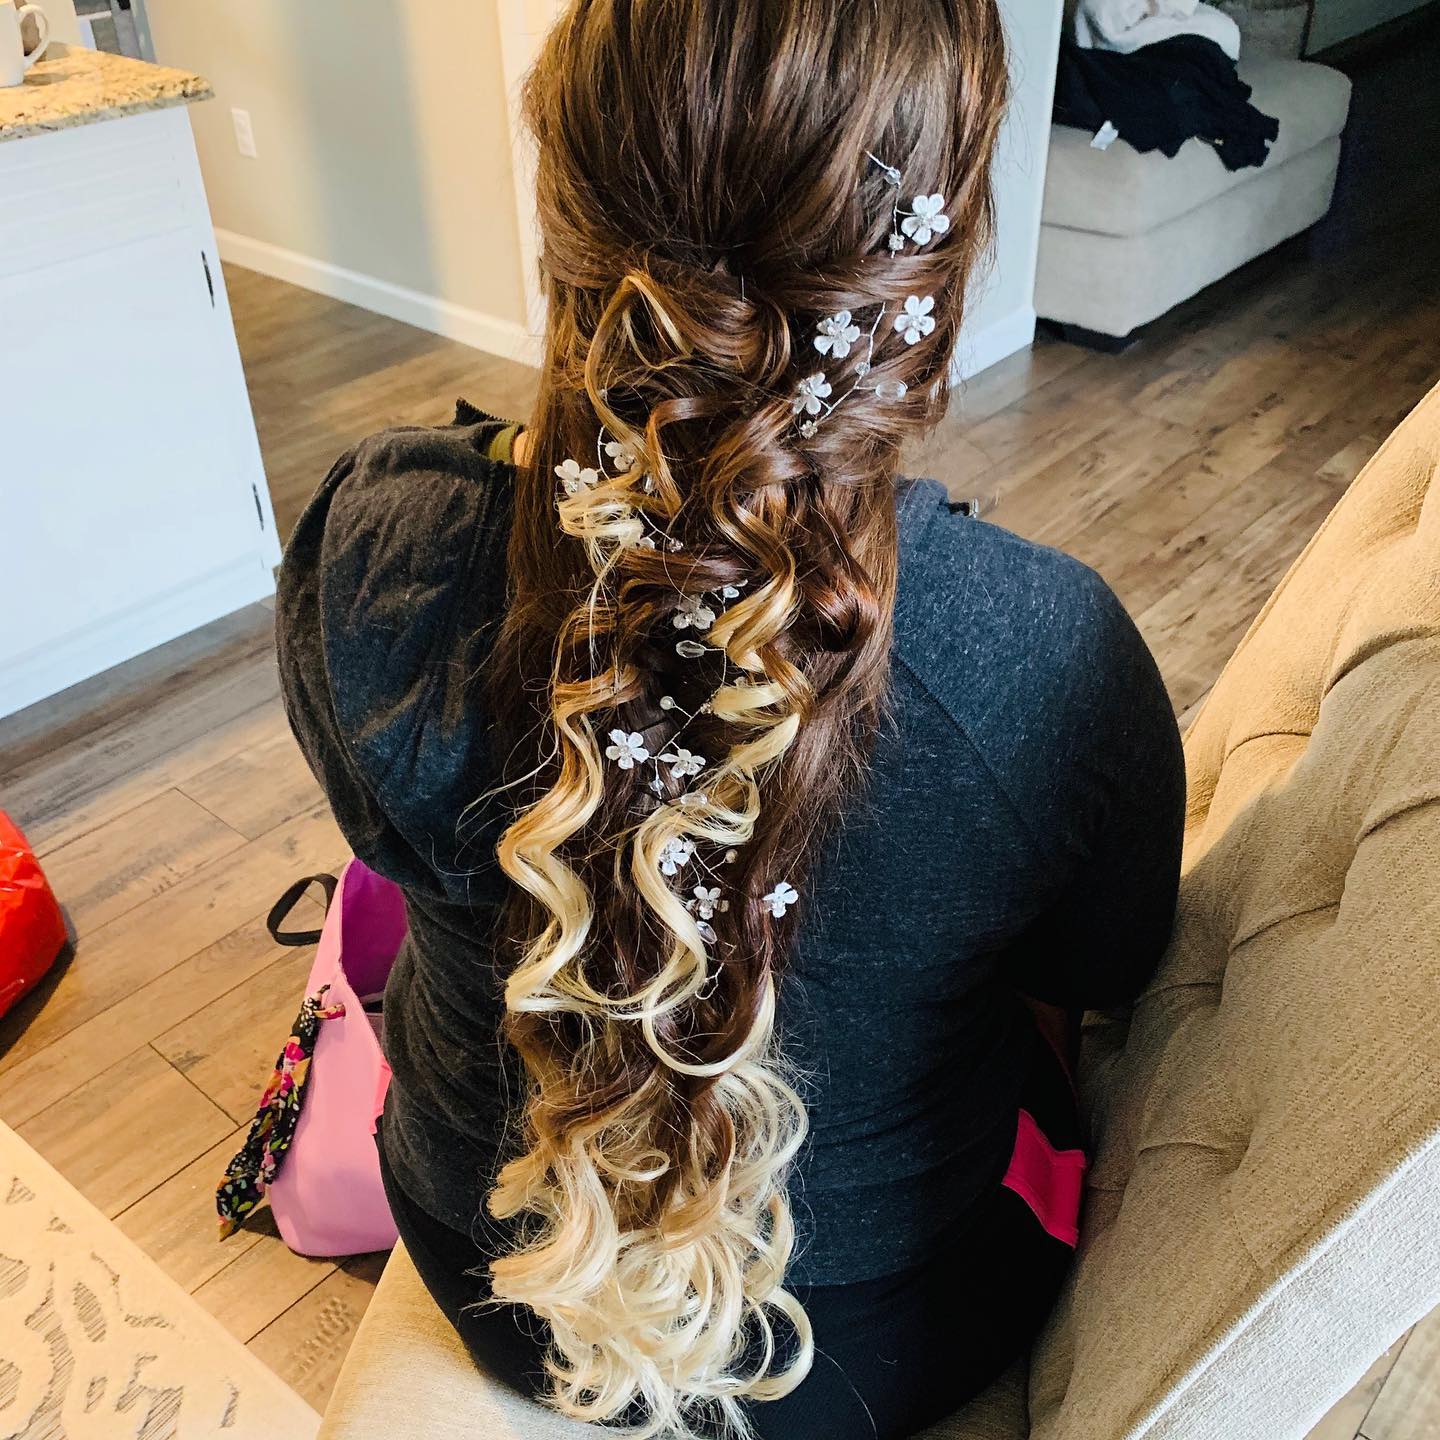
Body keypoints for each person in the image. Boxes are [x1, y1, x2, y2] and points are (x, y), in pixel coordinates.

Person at [276, 2, 1185, 1436]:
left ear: (563, 225)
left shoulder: (378, 551)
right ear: (928, 277)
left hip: (486, 1259)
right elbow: (1107, 963)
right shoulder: (1045, 656)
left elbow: (385, 827)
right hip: (875, 1339)